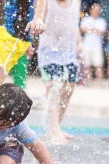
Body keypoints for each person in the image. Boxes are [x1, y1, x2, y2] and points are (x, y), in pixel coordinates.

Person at [37, 0, 81, 144]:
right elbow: (38, 19)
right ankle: (54, 130)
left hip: (70, 53)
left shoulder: (76, 2)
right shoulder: (46, 2)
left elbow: (75, 23)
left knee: (68, 91)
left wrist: (79, 43)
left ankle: (56, 126)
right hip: (49, 53)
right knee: (54, 89)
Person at [79, 2, 106, 87]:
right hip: (86, 45)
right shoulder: (85, 19)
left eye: (98, 10)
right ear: (91, 10)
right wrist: (94, 30)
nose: (96, 11)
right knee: (87, 65)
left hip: (97, 46)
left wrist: (90, 29)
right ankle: (88, 81)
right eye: (95, 10)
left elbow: (102, 31)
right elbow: (82, 29)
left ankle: (100, 83)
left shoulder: (102, 20)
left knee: (99, 65)